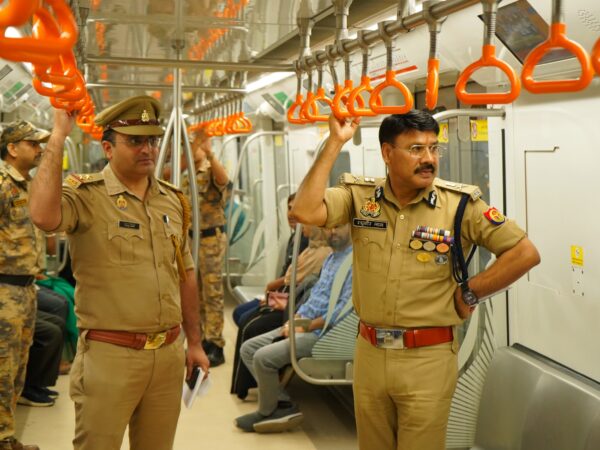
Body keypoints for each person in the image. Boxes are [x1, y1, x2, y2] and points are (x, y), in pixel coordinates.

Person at [291, 111, 541, 450]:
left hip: (428, 357)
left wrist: (470, 292)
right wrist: (335, 142)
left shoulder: (459, 206)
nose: (428, 158)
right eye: (415, 149)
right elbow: (304, 211)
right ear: (387, 153)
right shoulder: (361, 199)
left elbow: (524, 253)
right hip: (370, 352)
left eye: (434, 148)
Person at [29, 96, 209, 450]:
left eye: (152, 140)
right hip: (110, 355)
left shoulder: (172, 199)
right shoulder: (87, 195)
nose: (148, 149)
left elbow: (185, 273)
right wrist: (58, 136)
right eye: (135, 141)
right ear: (108, 148)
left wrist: (196, 342)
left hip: (168, 354)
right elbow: (42, 215)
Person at [235, 223, 352, 433]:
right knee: (248, 349)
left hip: (323, 334)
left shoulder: (355, 263)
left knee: (262, 358)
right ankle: (282, 404)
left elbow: (342, 311)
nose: (333, 232)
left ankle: (266, 410)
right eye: (329, 227)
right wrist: (295, 319)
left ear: (351, 227)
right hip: (304, 323)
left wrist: (306, 326)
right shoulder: (331, 259)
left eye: (339, 226)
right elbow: (316, 296)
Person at [230, 224, 330, 400]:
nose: (301, 227)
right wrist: (295, 317)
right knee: (242, 315)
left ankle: (261, 390)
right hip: (294, 305)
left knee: (250, 324)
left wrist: (298, 320)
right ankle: (257, 386)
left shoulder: (324, 255)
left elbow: (300, 287)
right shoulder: (312, 251)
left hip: (292, 304)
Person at [0, 120, 51, 450]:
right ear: (12, 148)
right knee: (3, 368)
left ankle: (6, 436)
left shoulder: (25, 184)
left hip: (25, 288)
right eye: (32, 143)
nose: (39, 149)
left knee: (17, 367)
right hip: (4, 290)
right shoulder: (3, 184)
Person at [181, 129, 231, 367]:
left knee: (212, 293)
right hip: (192, 239)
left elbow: (223, 181)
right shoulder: (187, 173)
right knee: (195, 293)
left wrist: (211, 154)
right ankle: (201, 340)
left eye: (198, 144)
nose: (194, 149)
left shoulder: (212, 169)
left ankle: (216, 344)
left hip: (210, 239)